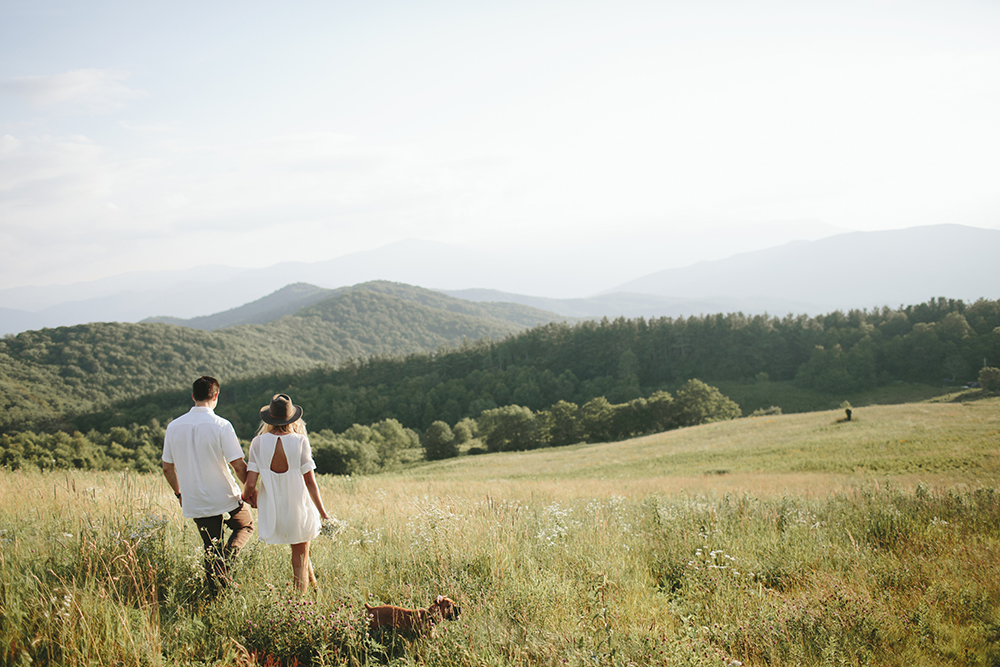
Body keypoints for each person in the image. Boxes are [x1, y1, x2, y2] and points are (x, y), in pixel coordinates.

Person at [162, 375, 254, 595]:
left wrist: (179, 493)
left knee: (211, 548)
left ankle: (216, 595)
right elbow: (238, 466)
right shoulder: (221, 425)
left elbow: (167, 468)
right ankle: (226, 566)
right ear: (216, 396)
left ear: (193, 396)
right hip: (224, 495)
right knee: (245, 526)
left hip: (194, 498)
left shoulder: (173, 427)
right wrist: (251, 491)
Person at [242, 393, 330, 593]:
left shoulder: (257, 442)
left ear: (270, 419)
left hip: (272, 507)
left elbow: (250, 482)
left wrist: (246, 496)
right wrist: (323, 513)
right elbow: (310, 482)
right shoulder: (300, 441)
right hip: (298, 503)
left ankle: (315, 590)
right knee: (300, 556)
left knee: (302, 553)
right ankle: (302, 605)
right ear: (292, 418)